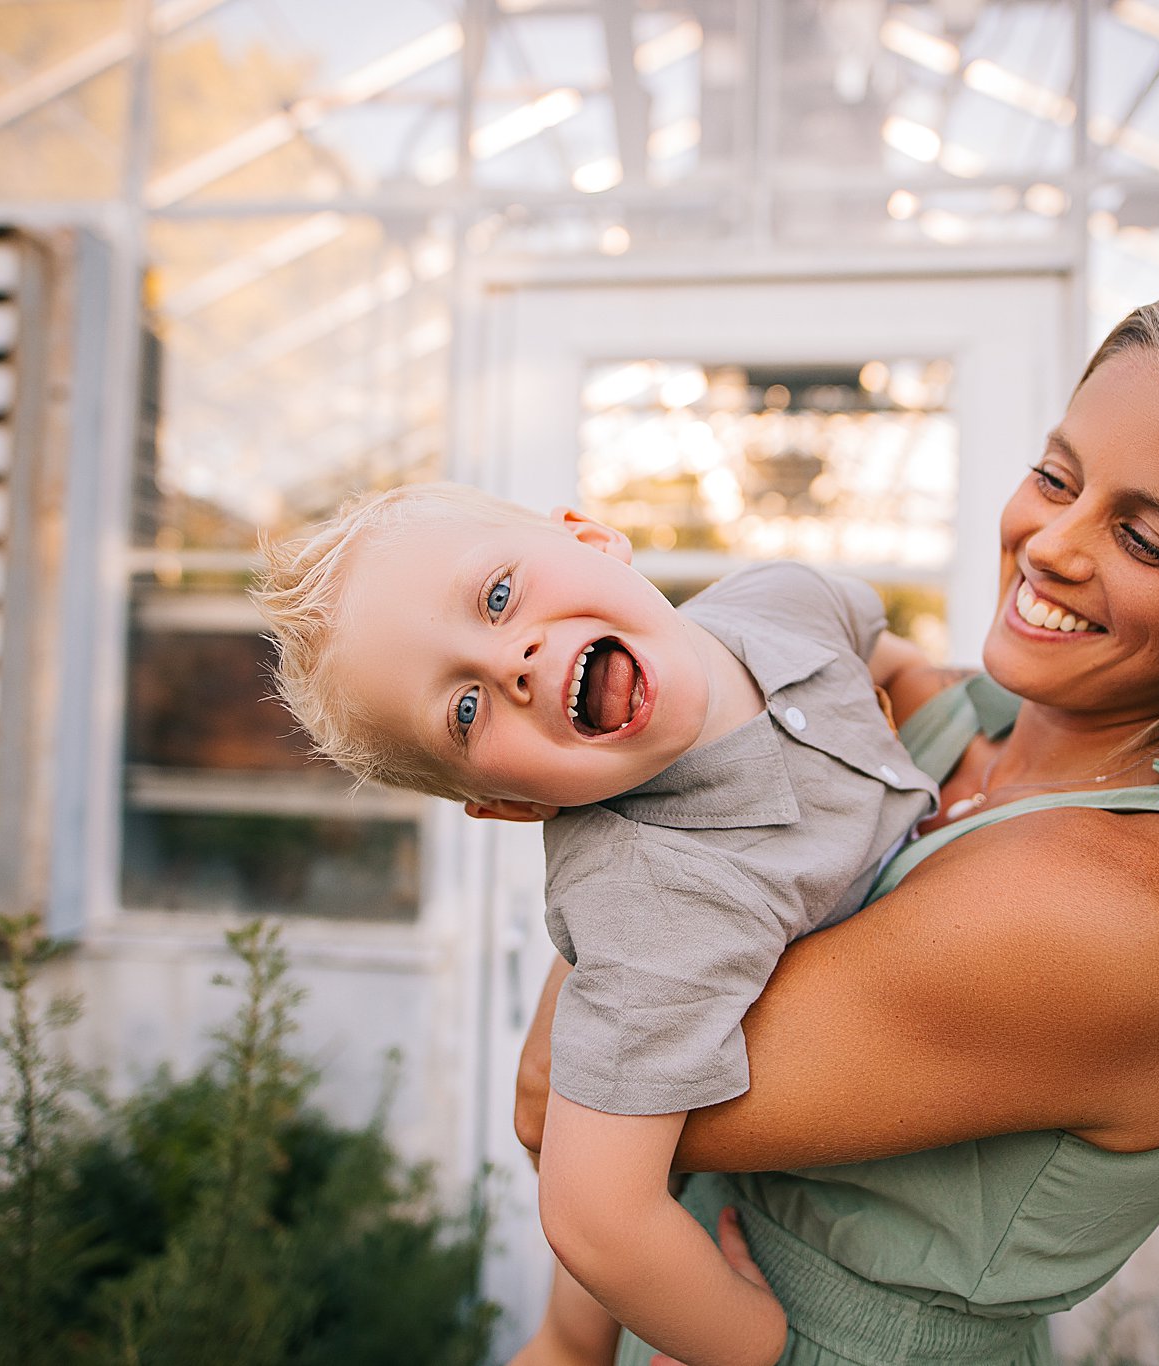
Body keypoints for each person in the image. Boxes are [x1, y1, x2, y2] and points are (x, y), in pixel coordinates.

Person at [514, 275, 1159, 1366]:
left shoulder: (1106, 910)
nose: (1049, 544)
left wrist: (640, 779)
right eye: (1055, 477)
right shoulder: (955, 734)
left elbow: (563, 1092)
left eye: (1143, 539)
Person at [254, 483, 947, 1365]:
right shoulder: (654, 897)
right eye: (465, 710)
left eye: (498, 596)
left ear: (595, 538)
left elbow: (876, 645)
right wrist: (755, 1342)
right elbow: (596, 1214)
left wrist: (933, 705)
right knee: (575, 1332)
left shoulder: (779, 599)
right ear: (509, 804)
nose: (512, 662)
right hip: (769, 1223)